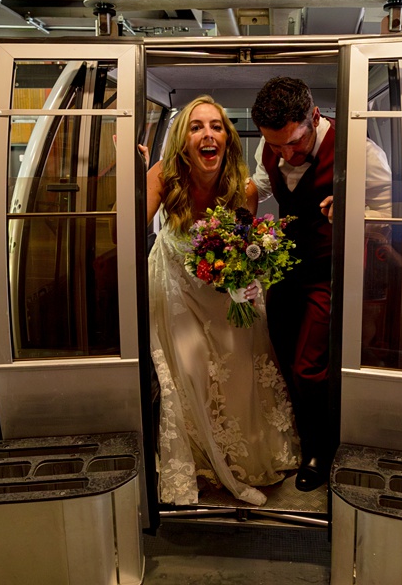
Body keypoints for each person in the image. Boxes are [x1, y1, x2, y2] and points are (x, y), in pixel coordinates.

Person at [143, 95, 300, 507]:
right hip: (175, 286)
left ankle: (240, 452)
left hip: (221, 291)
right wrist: (131, 175)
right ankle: (201, 459)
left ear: (227, 140)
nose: (207, 134)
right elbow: (122, 228)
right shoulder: (163, 175)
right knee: (191, 367)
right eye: (196, 127)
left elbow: (242, 252)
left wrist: (249, 286)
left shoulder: (240, 187)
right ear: (183, 138)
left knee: (243, 359)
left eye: (216, 127)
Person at [249, 77, 392, 491]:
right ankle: (296, 433)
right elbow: (259, 185)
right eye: (276, 146)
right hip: (286, 267)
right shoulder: (271, 146)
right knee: (278, 351)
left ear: (314, 116)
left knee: (310, 366)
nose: (285, 153)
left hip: (331, 272)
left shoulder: (360, 152)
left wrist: (353, 212)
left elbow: (389, 218)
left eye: (293, 142)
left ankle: (321, 449)